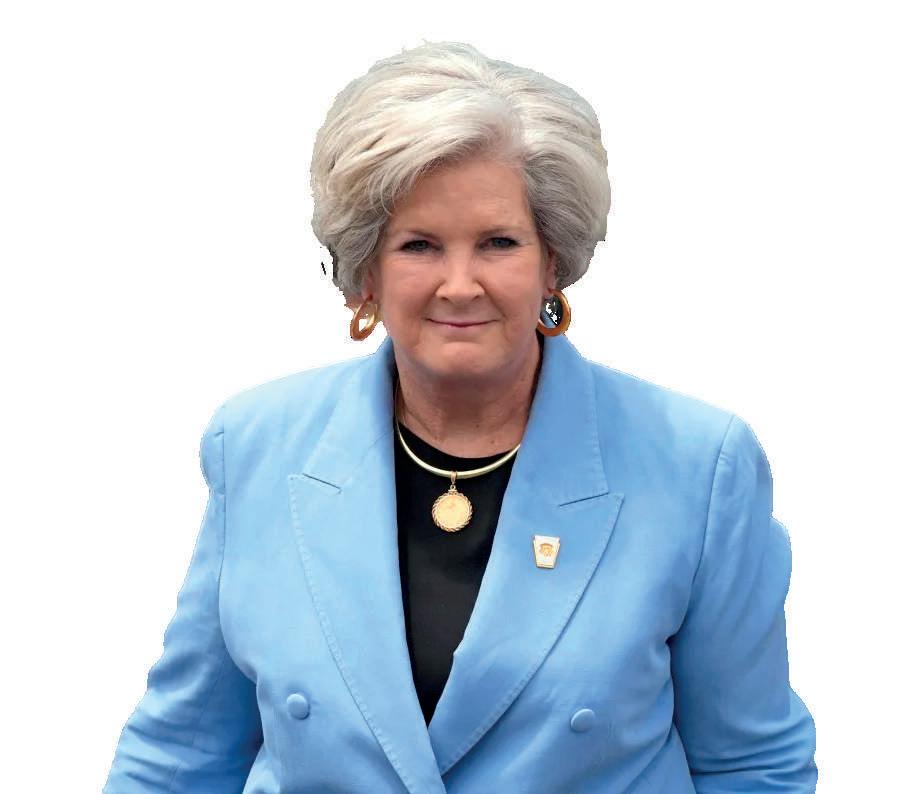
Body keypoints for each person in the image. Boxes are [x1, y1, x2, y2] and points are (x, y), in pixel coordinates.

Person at [102, 40, 817, 793]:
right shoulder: (256, 445)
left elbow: (751, 767)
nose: (460, 284)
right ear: (365, 273)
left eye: (498, 243)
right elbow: (180, 755)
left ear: (552, 261)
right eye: (419, 246)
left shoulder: (701, 466)